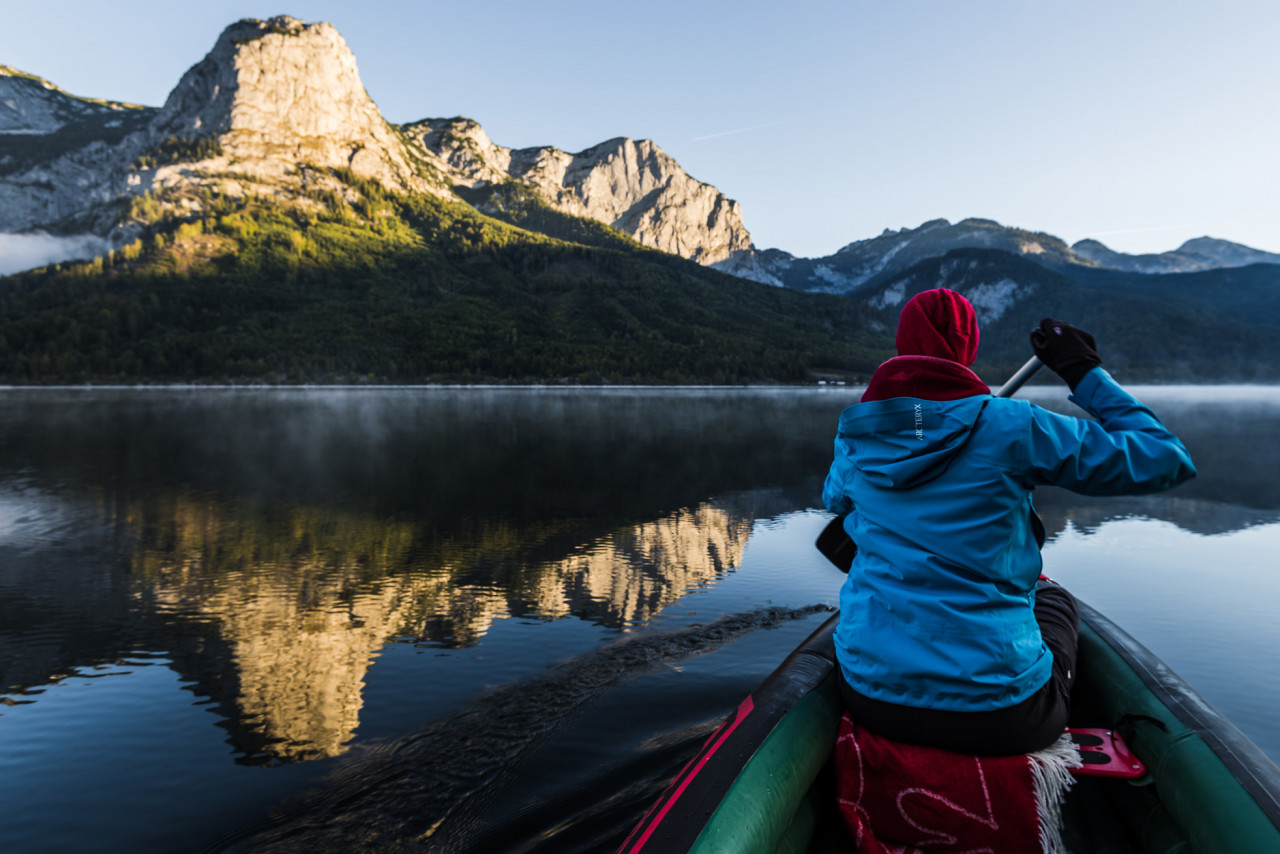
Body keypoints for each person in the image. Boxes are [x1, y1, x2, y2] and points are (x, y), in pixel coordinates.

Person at [822, 288, 1195, 755]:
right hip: (1001, 716)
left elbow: (835, 500)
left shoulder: (857, 432)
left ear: (901, 345)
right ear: (970, 348)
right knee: (1052, 595)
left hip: (869, 698)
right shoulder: (1015, 426)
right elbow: (1164, 458)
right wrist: (1083, 370)